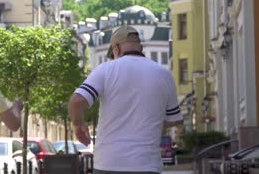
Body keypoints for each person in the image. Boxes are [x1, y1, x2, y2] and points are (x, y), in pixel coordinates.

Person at [68, 25, 183, 174]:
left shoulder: (106, 69)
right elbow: (175, 119)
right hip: (147, 164)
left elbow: (76, 101)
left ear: (116, 48)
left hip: (108, 163)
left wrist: (78, 123)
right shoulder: (164, 74)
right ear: (140, 48)